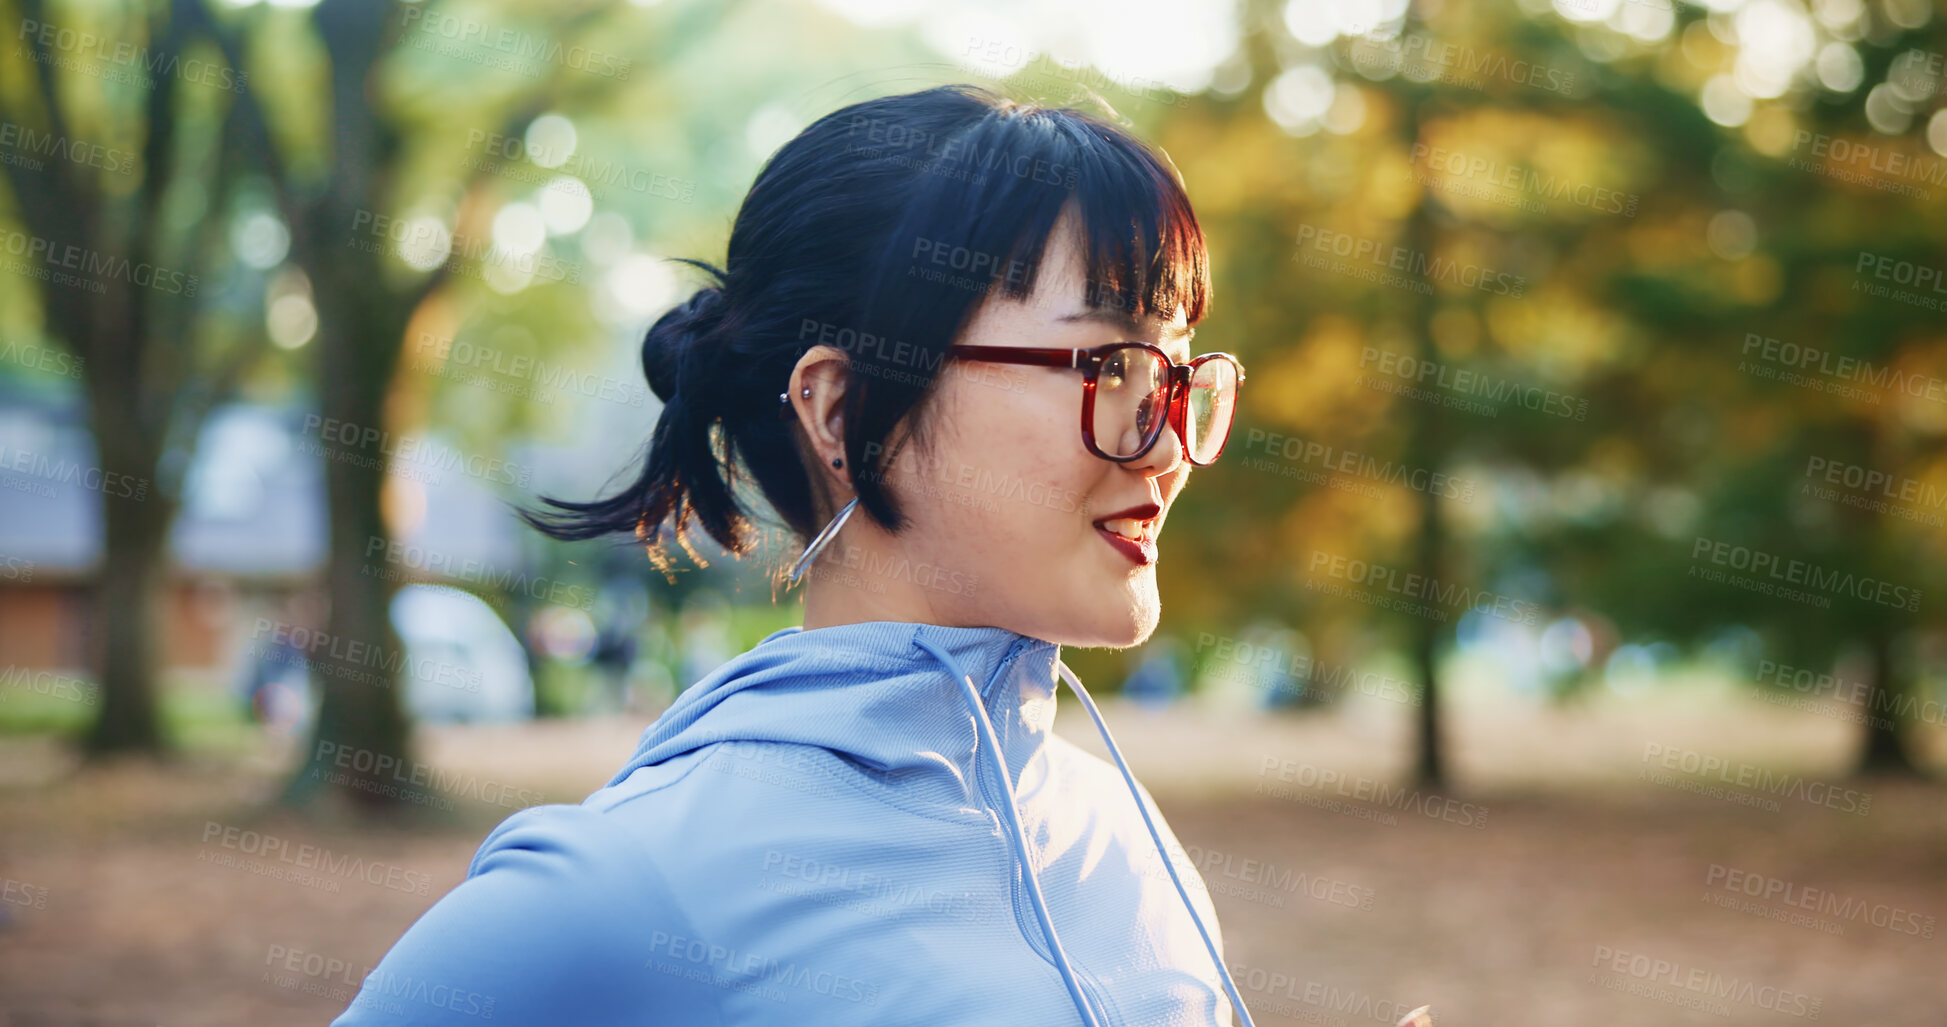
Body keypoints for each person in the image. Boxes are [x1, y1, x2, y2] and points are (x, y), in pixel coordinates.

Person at [331, 83, 1254, 1026]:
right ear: (839, 410)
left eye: (1178, 374)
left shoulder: (1118, 829)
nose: (1168, 444)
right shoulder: (637, 885)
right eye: (1112, 368)